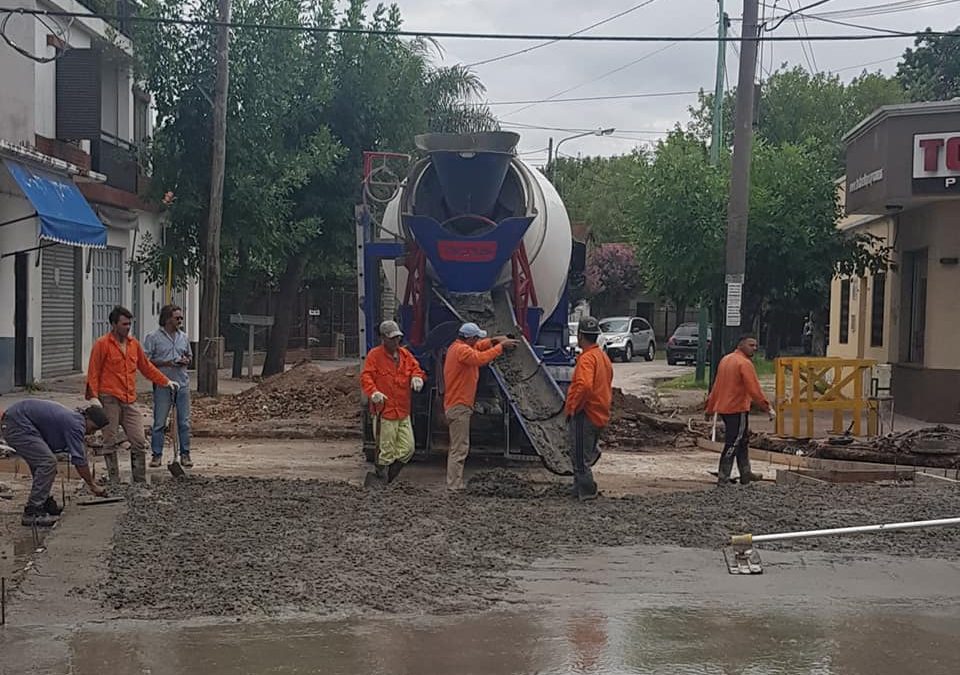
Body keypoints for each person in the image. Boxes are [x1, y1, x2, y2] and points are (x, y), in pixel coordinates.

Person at [85, 306, 179, 484]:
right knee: (109, 440)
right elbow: (93, 371)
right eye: (124, 324)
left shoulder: (133, 344)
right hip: (109, 398)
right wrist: (93, 396)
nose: (127, 327)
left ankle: (139, 481)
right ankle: (114, 481)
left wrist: (165, 381)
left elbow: (146, 367)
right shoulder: (102, 344)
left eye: (129, 324)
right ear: (114, 324)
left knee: (138, 440)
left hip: (129, 399)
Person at [0, 400, 110, 526]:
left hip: (20, 420)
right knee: (47, 462)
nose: (92, 433)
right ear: (87, 418)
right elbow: (80, 461)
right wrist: (92, 485)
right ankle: (33, 512)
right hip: (18, 424)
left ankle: (43, 502)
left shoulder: (73, 419)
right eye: (93, 428)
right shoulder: (76, 424)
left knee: (43, 463)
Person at [443, 322, 518, 491]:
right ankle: (454, 485)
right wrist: (500, 347)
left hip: (457, 404)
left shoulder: (457, 347)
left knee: (459, 445)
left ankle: (455, 483)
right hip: (459, 405)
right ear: (468, 338)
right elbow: (480, 358)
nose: (478, 340)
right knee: (459, 447)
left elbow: (478, 347)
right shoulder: (462, 351)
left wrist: (493, 341)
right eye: (476, 337)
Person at [359, 320, 427, 484]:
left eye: (397, 338)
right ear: (383, 338)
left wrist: (418, 377)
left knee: (407, 449)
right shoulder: (374, 356)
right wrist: (373, 392)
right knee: (386, 450)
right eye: (392, 338)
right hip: (384, 412)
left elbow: (416, 369)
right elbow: (366, 376)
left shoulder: (405, 355)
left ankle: (388, 476)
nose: (396, 341)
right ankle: (382, 478)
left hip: (403, 410)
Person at [705, 334, 771, 486]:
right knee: (734, 442)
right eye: (751, 345)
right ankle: (724, 476)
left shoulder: (726, 360)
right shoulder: (744, 363)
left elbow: (717, 386)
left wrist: (710, 408)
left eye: (755, 345)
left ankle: (745, 473)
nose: (754, 348)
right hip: (737, 408)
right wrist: (766, 407)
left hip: (724, 408)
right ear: (741, 345)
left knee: (742, 441)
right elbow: (754, 389)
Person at [564, 316, 613, 501]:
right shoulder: (602, 357)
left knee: (579, 456)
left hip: (586, 413)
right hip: (600, 412)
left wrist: (574, 407)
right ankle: (578, 489)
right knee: (584, 452)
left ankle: (587, 490)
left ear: (580, 335)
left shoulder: (586, 359)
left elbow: (584, 385)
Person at [143, 304, 193, 468]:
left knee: (184, 422)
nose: (180, 320)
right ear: (167, 319)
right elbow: (146, 362)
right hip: (163, 383)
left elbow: (189, 355)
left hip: (182, 383)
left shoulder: (184, 337)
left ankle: (185, 454)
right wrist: (167, 363)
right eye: (177, 318)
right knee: (159, 422)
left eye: (181, 318)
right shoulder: (153, 337)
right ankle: (157, 455)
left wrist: (185, 360)